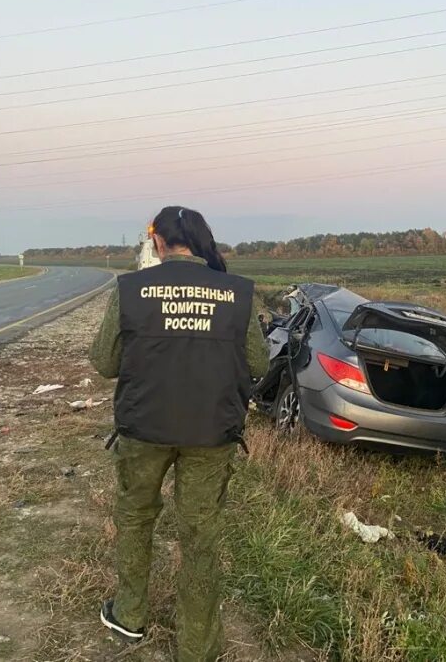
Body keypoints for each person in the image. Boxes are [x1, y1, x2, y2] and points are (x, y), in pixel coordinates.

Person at [89, 205, 268, 661]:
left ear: (159, 244)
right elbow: (261, 365)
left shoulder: (130, 289)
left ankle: (129, 615)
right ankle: (197, 647)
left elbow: (104, 363)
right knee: (200, 536)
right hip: (211, 433)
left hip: (143, 428)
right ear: (202, 241)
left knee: (135, 518)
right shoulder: (237, 292)